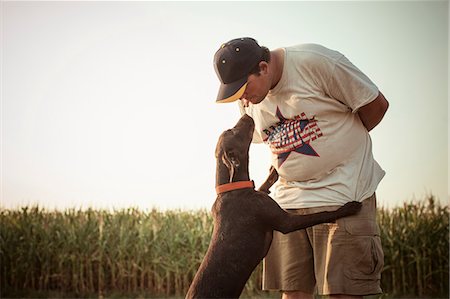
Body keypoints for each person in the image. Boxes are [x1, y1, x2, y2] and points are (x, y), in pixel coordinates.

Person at [212, 37, 389, 299]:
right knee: (293, 294)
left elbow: (376, 106)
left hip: (344, 194)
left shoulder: (316, 63)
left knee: (343, 294)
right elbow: (265, 136)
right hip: (287, 204)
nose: (244, 99)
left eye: (244, 88)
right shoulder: (249, 98)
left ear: (263, 67)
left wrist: (341, 147)